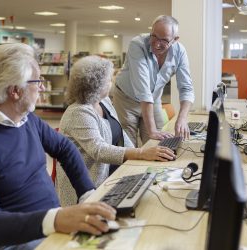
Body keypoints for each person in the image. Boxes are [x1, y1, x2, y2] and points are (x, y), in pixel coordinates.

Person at [0, 44, 116, 250]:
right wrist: (56, 219)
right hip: (9, 242)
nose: (42, 87)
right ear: (15, 91)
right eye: (37, 81)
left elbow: (65, 149)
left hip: (48, 229)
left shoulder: (26, 120)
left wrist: (87, 194)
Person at [58, 55, 175, 206]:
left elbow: (120, 134)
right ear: (96, 84)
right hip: (87, 190)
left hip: (112, 177)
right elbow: (99, 150)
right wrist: (141, 154)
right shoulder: (78, 112)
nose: (112, 82)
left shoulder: (104, 102)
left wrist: (143, 158)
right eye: (109, 80)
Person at [113, 15, 195, 146]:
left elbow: (186, 88)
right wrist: (152, 131)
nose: (157, 43)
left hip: (153, 99)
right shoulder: (138, 44)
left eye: (164, 40)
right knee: (128, 146)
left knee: (160, 143)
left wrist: (182, 118)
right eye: (154, 36)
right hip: (126, 100)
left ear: (175, 40)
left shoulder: (180, 52)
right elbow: (143, 89)